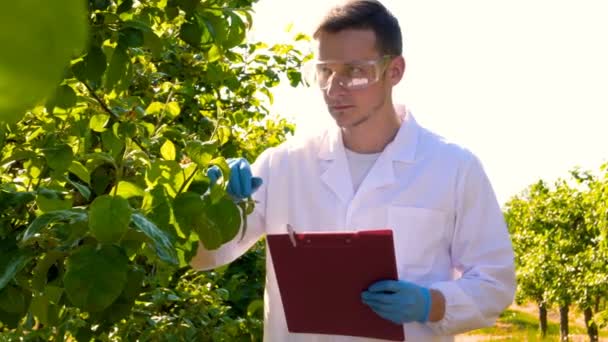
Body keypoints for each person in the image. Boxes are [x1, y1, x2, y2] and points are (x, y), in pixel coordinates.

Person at [191, 0, 516, 340]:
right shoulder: (282, 165)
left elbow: (495, 283)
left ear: (394, 71)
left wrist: (431, 303)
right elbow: (205, 257)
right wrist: (217, 208)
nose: (334, 89)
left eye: (355, 71)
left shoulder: (453, 168)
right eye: (325, 71)